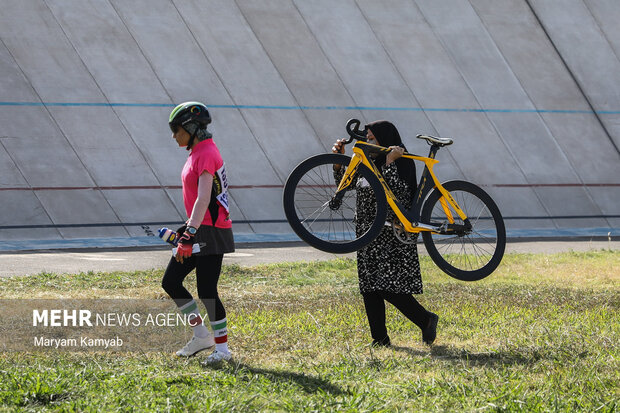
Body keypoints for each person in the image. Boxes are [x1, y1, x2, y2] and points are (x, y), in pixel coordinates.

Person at [332, 120, 439, 347]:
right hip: (366, 230)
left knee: (386, 286)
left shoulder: (403, 161)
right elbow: (344, 187)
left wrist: (390, 162)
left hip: (391, 231)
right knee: (369, 286)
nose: (367, 141)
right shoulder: (368, 162)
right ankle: (380, 339)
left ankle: (426, 319)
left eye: (371, 137)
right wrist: (339, 165)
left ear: (385, 138)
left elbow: (399, 194)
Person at [161, 101, 235, 364]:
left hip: (211, 231)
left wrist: (188, 234)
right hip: (199, 227)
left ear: (192, 128)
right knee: (171, 281)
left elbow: (204, 198)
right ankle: (201, 335)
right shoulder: (197, 151)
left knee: (207, 290)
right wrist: (188, 230)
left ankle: (223, 350)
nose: (173, 135)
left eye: (176, 129)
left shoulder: (206, 153)